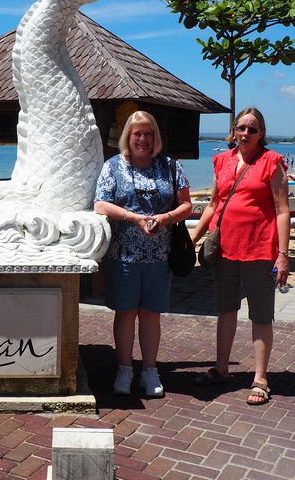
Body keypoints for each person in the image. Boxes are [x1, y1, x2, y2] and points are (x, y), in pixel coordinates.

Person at [190, 107, 290, 406]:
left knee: (260, 315)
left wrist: (283, 254)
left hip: (260, 249)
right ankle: (221, 368)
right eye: (241, 128)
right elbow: (212, 205)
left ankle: (260, 378)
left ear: (262, 134)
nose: (245, 133)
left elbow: (282, 210)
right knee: (226, 310)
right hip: (225, 250)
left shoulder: (272, 162)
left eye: (252, 129)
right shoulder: (220, 160)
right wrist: (192, 238)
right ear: (234, 130)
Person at [94, 111, 193, 397]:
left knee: (151, 314)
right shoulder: (113, 167)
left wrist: (165, 218)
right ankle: (125, 368)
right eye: (137, 133)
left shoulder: (171, 166)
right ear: (128, 136)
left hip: (159, 257)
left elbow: (187, 205)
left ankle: (149, 370)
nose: (143, 139)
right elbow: (100, 204)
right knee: (125, 313)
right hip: (123, 255)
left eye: (148, 133)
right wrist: (132, 217)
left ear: (156, 138)